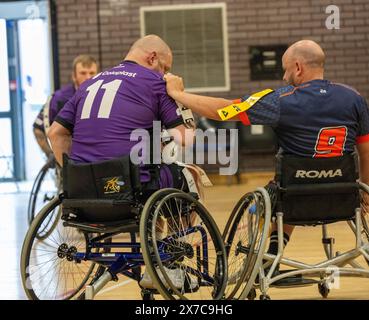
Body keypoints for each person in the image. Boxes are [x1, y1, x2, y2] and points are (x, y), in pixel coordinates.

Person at [164, 39, 369, 259]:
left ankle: (271, 255)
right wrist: (364, 190)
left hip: (293, 197)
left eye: (285, 70)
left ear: (298, 67)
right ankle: (275, 249)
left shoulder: (280, 101)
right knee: (295, 181)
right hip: (342, 198)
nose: (283, 77)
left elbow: (223, 110)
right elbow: (366, 151)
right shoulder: (354, 98)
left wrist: (179, 95)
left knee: (285, 186)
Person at [47, 35, 197, 289]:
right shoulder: (156, 83)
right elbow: (186, 139)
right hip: (128, 189)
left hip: (84, 194)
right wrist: (179, 95)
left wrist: (76, 177)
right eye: (166, 67)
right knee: (186, 176)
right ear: (152, 58)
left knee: (151, 178)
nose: (166, 73)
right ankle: (166, 263)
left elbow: (55, 134)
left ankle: (154, 256)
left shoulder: (88, 84)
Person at [33, 54, 98, 158]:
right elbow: (38, 128)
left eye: (92, 73)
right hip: (70, 160)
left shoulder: (103, 96)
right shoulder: (59, 98)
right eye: (83, 73)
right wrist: (51, 155)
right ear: (74, 76)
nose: (88, 77)